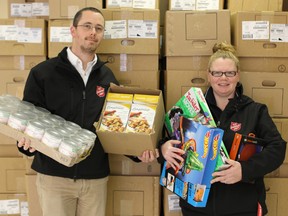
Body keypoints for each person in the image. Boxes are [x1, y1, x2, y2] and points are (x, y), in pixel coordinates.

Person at [17, 7, 156, 216]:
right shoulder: (43, 73)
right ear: (73, 30)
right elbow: (28, 120)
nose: (93, 32)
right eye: (87, 26)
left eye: (99, 28)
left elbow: (115, 125)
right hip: (55, 177)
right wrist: (26, 145)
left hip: (95, 178)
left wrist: (138, 151)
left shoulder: (107, 78)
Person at [158, 42, 287, 216]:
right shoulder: (191, 109)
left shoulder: (255, 111)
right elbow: (174, 140)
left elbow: (277, 148)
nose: (223, 78)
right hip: (196, 208)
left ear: (238, 75)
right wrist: (164, 148)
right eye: (217, 73)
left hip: (242, 208)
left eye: (230, 73)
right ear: (209, 75)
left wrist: (244, 170)